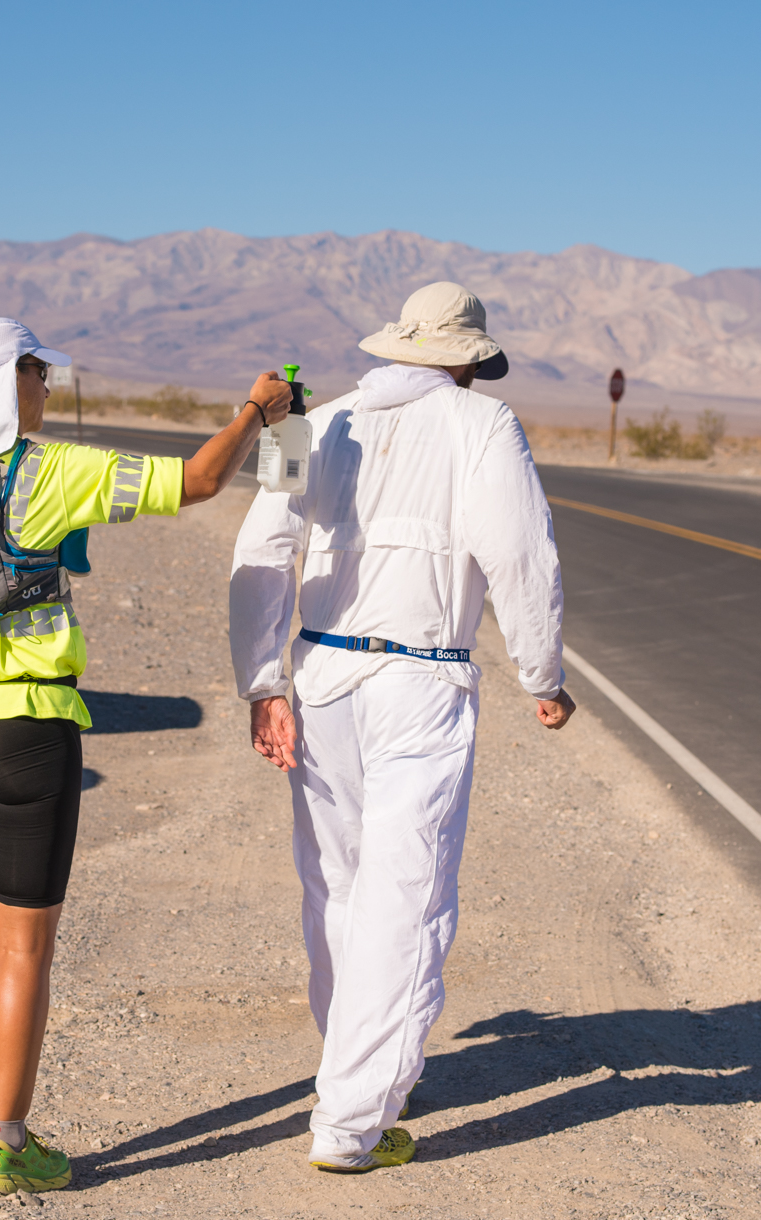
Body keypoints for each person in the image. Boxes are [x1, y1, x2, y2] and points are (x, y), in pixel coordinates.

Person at [0, 316, 291, 1195]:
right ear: (6, 383)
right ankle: (10, 1145)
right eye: (39, 375)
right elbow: (202, 481)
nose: (49, 390)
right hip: (29, 728)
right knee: (27, 945)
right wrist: (256, 409)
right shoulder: (54, 470)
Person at [228, 282, 575, 1173]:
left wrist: (262, 680)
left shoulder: (308, 424)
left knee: (337, 886)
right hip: (419, 678)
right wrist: (543, 673)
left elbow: (261, 549)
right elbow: (520, 552)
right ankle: (351, 1123)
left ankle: (356, 1068)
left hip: (319, 675)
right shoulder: (481, 424)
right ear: (464, 357)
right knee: (406, 894)